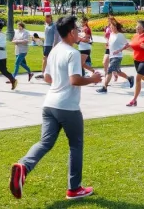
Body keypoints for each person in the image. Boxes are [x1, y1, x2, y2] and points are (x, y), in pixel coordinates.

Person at [9, 16, 102, 201]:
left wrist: (61, 82)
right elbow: (75, 79)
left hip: (49, 104)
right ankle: (74, 189)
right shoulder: (73, 53)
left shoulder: (54, 51)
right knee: (75, 145)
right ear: (71, 32)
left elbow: (47, 78)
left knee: (45, 143)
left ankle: (23, 167)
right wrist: (93, 79)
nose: (79, 32)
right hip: (68, 107)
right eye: (76, 29)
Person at [96, 18, 134, 93]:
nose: (111, 28)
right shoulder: (111, 35)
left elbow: (127, 45)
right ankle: (129, 78)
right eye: (110, 27)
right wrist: (108, 46)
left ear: (116, 27)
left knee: (110, 70)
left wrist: (119, 50)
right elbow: (111, 44)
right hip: (111, 56)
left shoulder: (120, 35)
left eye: (113, 27)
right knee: (118, 72)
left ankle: (104, 87)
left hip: (117, 57)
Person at [35, 15, 60, 80]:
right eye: (45, 19)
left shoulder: (54, 26)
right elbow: (46, 36)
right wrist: (40, 41)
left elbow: (56, 36)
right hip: (46, 44)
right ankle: (44, 73)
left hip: (51, 45)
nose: (46, 20)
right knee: (45, 59)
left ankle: (49, 74)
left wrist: (54, 46)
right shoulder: (46, 25)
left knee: (49, 59)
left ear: (50, 19)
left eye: (47, 19)